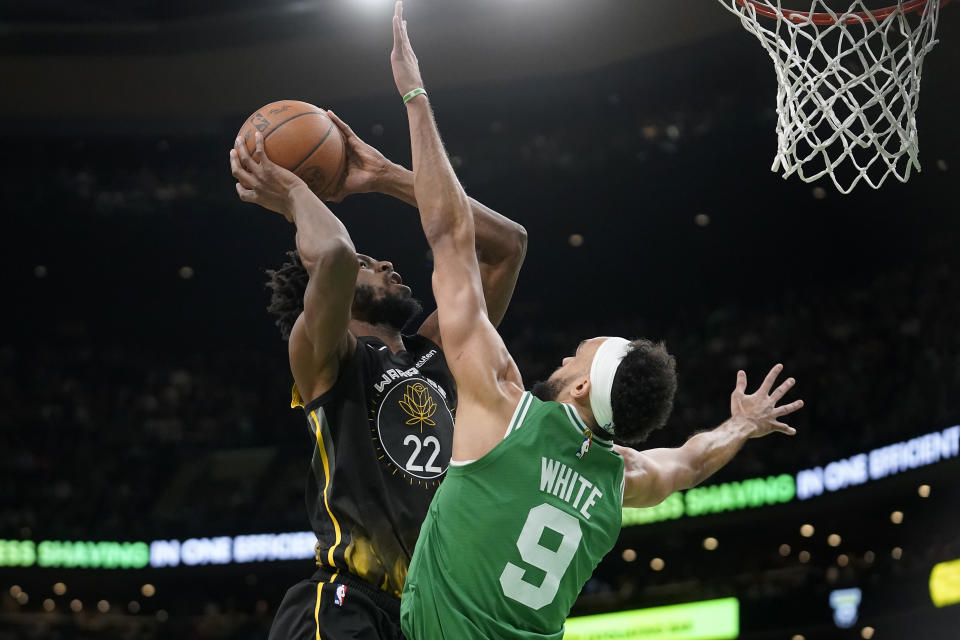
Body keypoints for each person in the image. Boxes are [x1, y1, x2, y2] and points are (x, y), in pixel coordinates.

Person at [386, 3, 805, 638]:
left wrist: (415, 96)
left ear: (581, 387)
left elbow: (451, 235)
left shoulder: (504, 407)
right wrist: (740, 427)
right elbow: (691, 463)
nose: (559, 361)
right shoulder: (620, 478)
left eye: (573, 358)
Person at [228, 100, 527, 637]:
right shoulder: (322, 355)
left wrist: (387, 177)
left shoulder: (440, 351)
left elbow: (507, 246)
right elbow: (337, 254)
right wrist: (296, 192)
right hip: (350, 603)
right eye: (372, 263)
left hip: (431, 615)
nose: (388, 263)